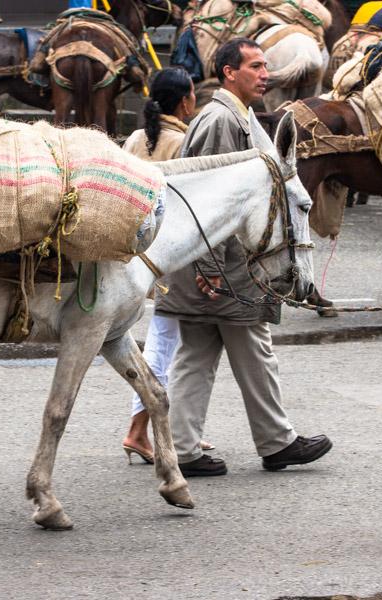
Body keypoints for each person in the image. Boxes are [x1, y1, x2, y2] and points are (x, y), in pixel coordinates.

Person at [155, 38, 332, 477]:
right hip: (224, 268)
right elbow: (206, 202)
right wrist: (209, 268)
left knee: (197, 355)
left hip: (215, 266)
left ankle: (182, 448)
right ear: (229, 72)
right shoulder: (221, 120)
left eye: (265, 66)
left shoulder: (237, 115)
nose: (264, 73)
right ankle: (277, 443)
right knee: (253, 349)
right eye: (255, 66)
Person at [120, 67, 199, 464]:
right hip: (173, 258)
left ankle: (182, 430)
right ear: (185, 101)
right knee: (165, 345)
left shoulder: (137, 137)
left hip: (137, 252)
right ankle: (139, 430)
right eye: (193, 94)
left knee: (169, 343)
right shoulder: (185, 142)